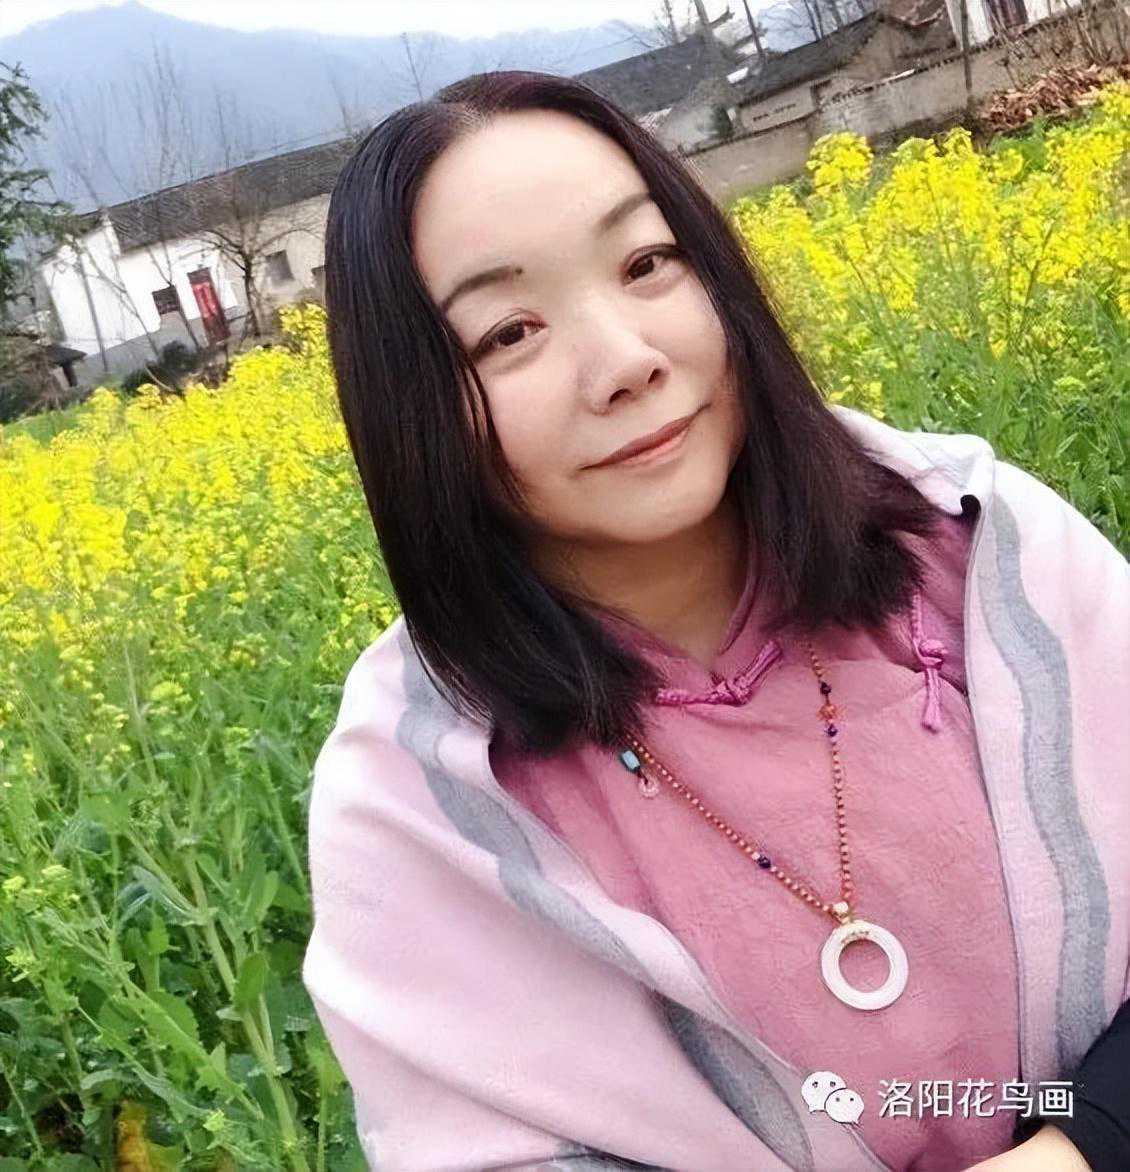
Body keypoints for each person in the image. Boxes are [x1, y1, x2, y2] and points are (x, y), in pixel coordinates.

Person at [301, 69, 1130, 1171]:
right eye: (508, 332)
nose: (625, 361)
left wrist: (1080, 1147)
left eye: (646, 263)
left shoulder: (981, 553)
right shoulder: (415, 802)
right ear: (411, 412)